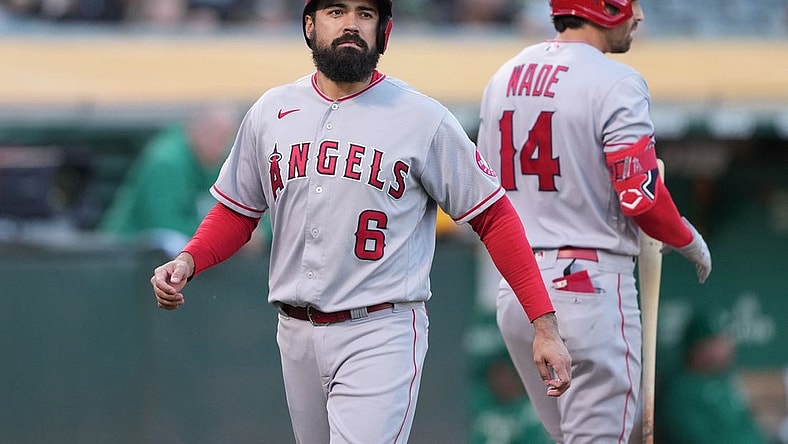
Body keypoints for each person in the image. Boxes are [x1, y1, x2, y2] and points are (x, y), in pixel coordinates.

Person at [151, 1, 571, 443]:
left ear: (383, 31)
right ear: (309, 26)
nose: (351, 23)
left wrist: (543, 325)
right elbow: (238, 210)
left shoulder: (421, 118)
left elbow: (494, 217)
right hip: (295, 331)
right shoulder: (271, 111)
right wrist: (190, 258)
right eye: (336, 11)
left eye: (365, 14)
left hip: (380, 329)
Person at [476, 0, 712, 442]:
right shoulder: (616, 80)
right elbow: (640, 198)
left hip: (520, 291)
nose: (638, 17)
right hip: (589, 286)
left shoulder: (503, 76)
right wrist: (688, 238)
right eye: (631, 4)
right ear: (602, 7)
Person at [99, 103, 241, 253]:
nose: (224, 147)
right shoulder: (166, 161)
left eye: (228, 139)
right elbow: (164, 224)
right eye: (219, 138)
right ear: (197, 130)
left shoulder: (220, 161)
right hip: (124, 255)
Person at [657, 309, 769, 444]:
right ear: (698, 348)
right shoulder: (680, 392)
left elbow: (749, 431)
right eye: (718, 341)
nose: (728, 346)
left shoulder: (725, 381)